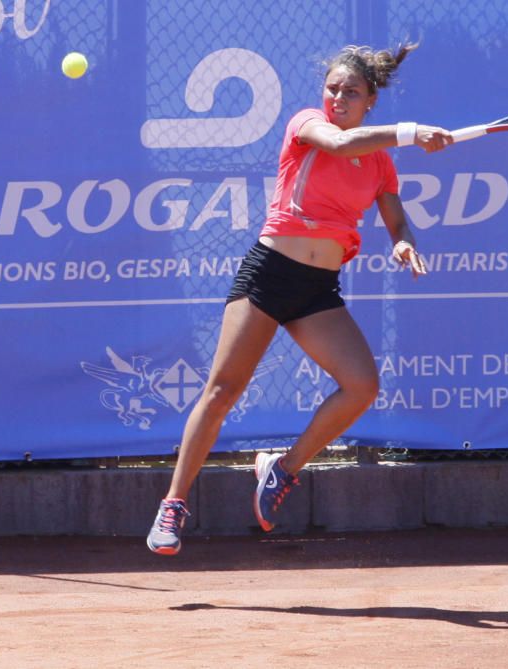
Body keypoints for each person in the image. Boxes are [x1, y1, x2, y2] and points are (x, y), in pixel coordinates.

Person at [147, 43, 453, 555]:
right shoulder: (309, 124)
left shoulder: (379, 165)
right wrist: (411, 132)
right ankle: (173, 504)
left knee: (361, 385)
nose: (337, 97)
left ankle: (282, 470)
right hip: (270, 275)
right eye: (332, 88)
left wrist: (403, 241)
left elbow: (397, 219)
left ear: (370, 100)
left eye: (351, 92)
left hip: (317, 289)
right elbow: (337, 145)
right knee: (222, 391)